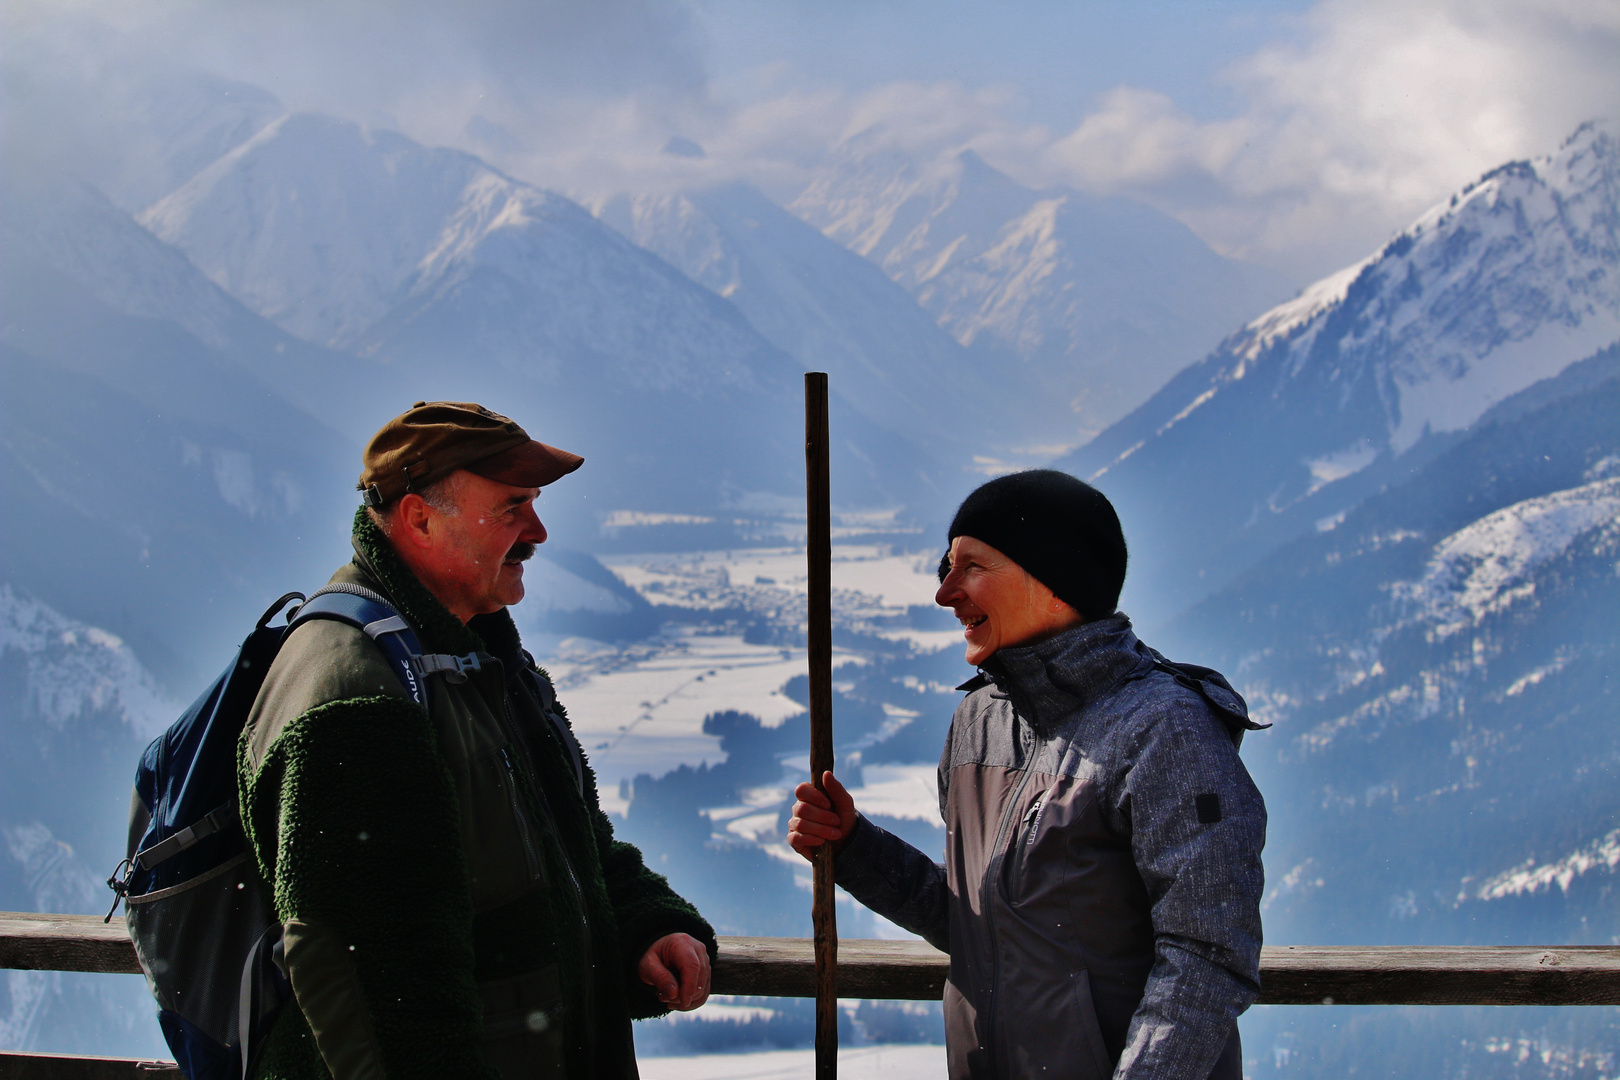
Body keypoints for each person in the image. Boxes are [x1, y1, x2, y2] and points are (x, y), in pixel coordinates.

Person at [239, 401, 715, 1080]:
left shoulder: (472, 655)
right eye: (511, 507)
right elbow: (374, 987)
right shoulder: (356, 696)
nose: (538, 531)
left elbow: (566, 846)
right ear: (419, 519)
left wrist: (644, 923)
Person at [788, 470, 1266, 1079]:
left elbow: (1208, 954)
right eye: (947, 567)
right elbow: (982, 924)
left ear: (1053, 580)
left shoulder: (1165, 730)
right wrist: (853, 849)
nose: (945, 592)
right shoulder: (978, 721)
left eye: (973, 568)